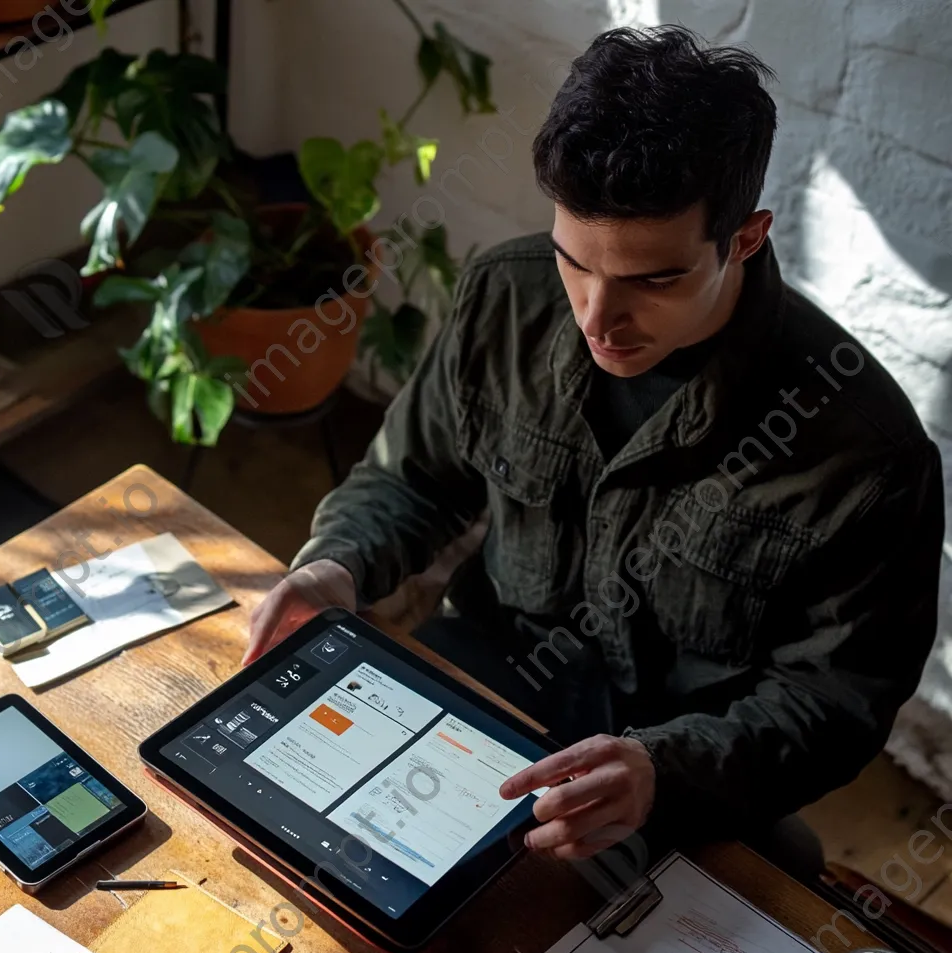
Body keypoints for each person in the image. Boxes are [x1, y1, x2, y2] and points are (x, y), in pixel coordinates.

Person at [245, 26, 943, 877]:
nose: (596, 317)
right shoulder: (507, 297)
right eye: (574, 261)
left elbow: (837, 701)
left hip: (688, 765)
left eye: (653, 281)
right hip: (486, 687)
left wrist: (665, 772)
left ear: (746, 237)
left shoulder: (865, 455)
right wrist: (337, 564)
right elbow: (415, 478)